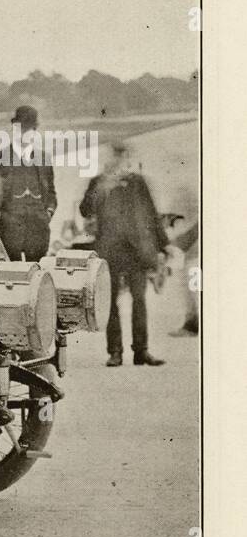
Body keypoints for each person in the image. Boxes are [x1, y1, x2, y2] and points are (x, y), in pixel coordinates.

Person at [79, 140, 170, 367]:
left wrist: (164, 245)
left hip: (137, 251)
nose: (120, 160)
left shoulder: (138, 182)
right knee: (111, 302)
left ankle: (141, 351)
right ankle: (115, 352)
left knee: (139, 300)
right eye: (116, 155)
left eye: (123, 155)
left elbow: (151, 213)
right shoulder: (99, 182)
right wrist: (101, 188)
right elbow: (84, 210)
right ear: (110, 157)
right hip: (110, 250)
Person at [0, 105, 57, 260]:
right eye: (22, 129)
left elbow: (52, 193)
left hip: (38, 231)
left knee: (36, 274)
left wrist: (48, 213)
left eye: (30, 130)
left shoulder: (43, 159)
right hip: (9, 232)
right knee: (11, 276)